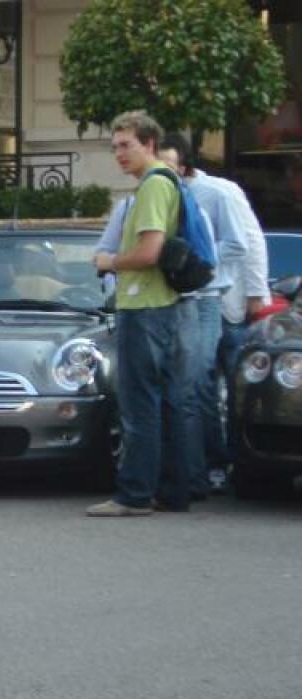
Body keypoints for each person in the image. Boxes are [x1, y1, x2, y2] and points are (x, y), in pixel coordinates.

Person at [87, 111, 196, 518]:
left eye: (126, 145)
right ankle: (173, 489)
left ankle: (134, 494)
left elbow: (149, 252)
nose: (118, 154)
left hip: (144, 305)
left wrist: (109, 260)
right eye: (114, 146)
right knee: (166, 401)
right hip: (162, 305)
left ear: (149, 143)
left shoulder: (152, 187)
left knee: (139, 405)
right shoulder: (169, 182)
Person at [157, 134, 247, 499]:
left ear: (184, 165)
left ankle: (209, 467)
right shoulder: (154, 197)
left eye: (168, 165)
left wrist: (194, 260)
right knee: (187, 388)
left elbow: (239, 244)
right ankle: (195, 468)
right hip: (172, 299)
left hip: (206, 296)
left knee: (197, 385)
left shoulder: (216, 194)